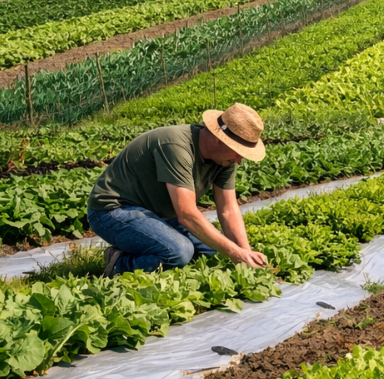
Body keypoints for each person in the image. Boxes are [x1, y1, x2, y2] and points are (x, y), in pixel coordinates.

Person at [87, 103, 270, 277]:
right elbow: (186, 214)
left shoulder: (225, 159)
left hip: (157, 214)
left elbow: (228, 209)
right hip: (113, 210)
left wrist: (245, 253)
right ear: (218, 140)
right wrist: (234, 252)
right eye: (238, 151)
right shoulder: (177, 146)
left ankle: (150, 244)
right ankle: (119, 263)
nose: (239, 160)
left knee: (212, 250)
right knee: (180, 252)